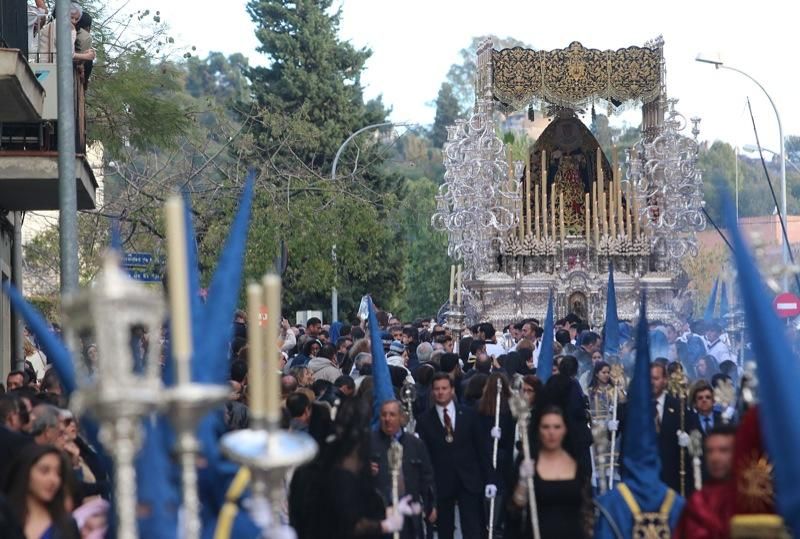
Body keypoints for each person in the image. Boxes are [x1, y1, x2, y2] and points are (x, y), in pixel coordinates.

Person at [289, 398, 412, 539]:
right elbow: (348, 523)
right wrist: (384, 526)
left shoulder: (313, 470)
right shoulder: (342, 478)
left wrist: (390, 512)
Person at [416, 373, 489, 539]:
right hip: (441, 482)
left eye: (444, 388)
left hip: (469, 479)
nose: (441, 392)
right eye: (437, 389)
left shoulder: (469, 415)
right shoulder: (425, 420)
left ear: (452, 390)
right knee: (444, 530)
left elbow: (481, 449)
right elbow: (424, 456)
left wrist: (489, 478)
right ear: (432, 392)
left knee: (473, 529)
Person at [507, 406, 589, 539]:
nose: (551, 432)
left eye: (557, 427)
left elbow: (586, 511)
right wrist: (522, 481)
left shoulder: (576, 463)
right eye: (546, 427)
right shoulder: (528, 460)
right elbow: (514, 509)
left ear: (565, 429)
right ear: (539, 429)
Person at [370, 400, 435, 538]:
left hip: (409, 513)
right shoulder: (369, 443)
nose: (387, 419)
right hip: (380, 514)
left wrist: (432, 505)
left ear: (401, 417)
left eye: (392, 415)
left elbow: (427, 477)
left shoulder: (415, 444)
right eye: (384, 415)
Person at [673, 425, 737, 538]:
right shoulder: (698, 501)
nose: (715, 458)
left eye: (723, 450)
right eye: (710, 451)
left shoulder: (751, 498)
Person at [5, 444, 80, 539]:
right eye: (44, 471)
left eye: (58, 474)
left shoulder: (67, 526)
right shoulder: (5, 517)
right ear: (25, 472)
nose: (53, 480)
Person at [476, 372, 516, 535]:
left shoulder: (480, 407)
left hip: (486, 456)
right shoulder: (509, 408)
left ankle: (488, 521)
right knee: (500, 488)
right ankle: (496, 523)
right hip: (502, 456)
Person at [651, 363, 695, 495]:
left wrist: (688, 442)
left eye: (656, 378)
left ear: (665, 380)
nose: (652, 382)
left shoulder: (678, 407)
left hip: (672, 475)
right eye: (649, 379)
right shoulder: (637, 407)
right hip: (646, 475)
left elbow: (694, 435)